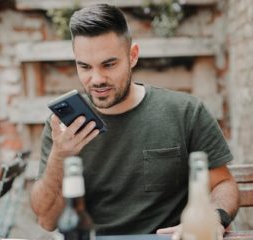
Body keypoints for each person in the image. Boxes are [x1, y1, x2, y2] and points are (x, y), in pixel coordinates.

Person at [30, 3, 239, 240]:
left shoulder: (185, 112)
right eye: (85, 67)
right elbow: (47, 221)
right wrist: (60, 156)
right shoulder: (63, 128)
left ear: (133, 56)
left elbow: (223, 183)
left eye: (109, 64)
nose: (96, 79)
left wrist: (213, 218)